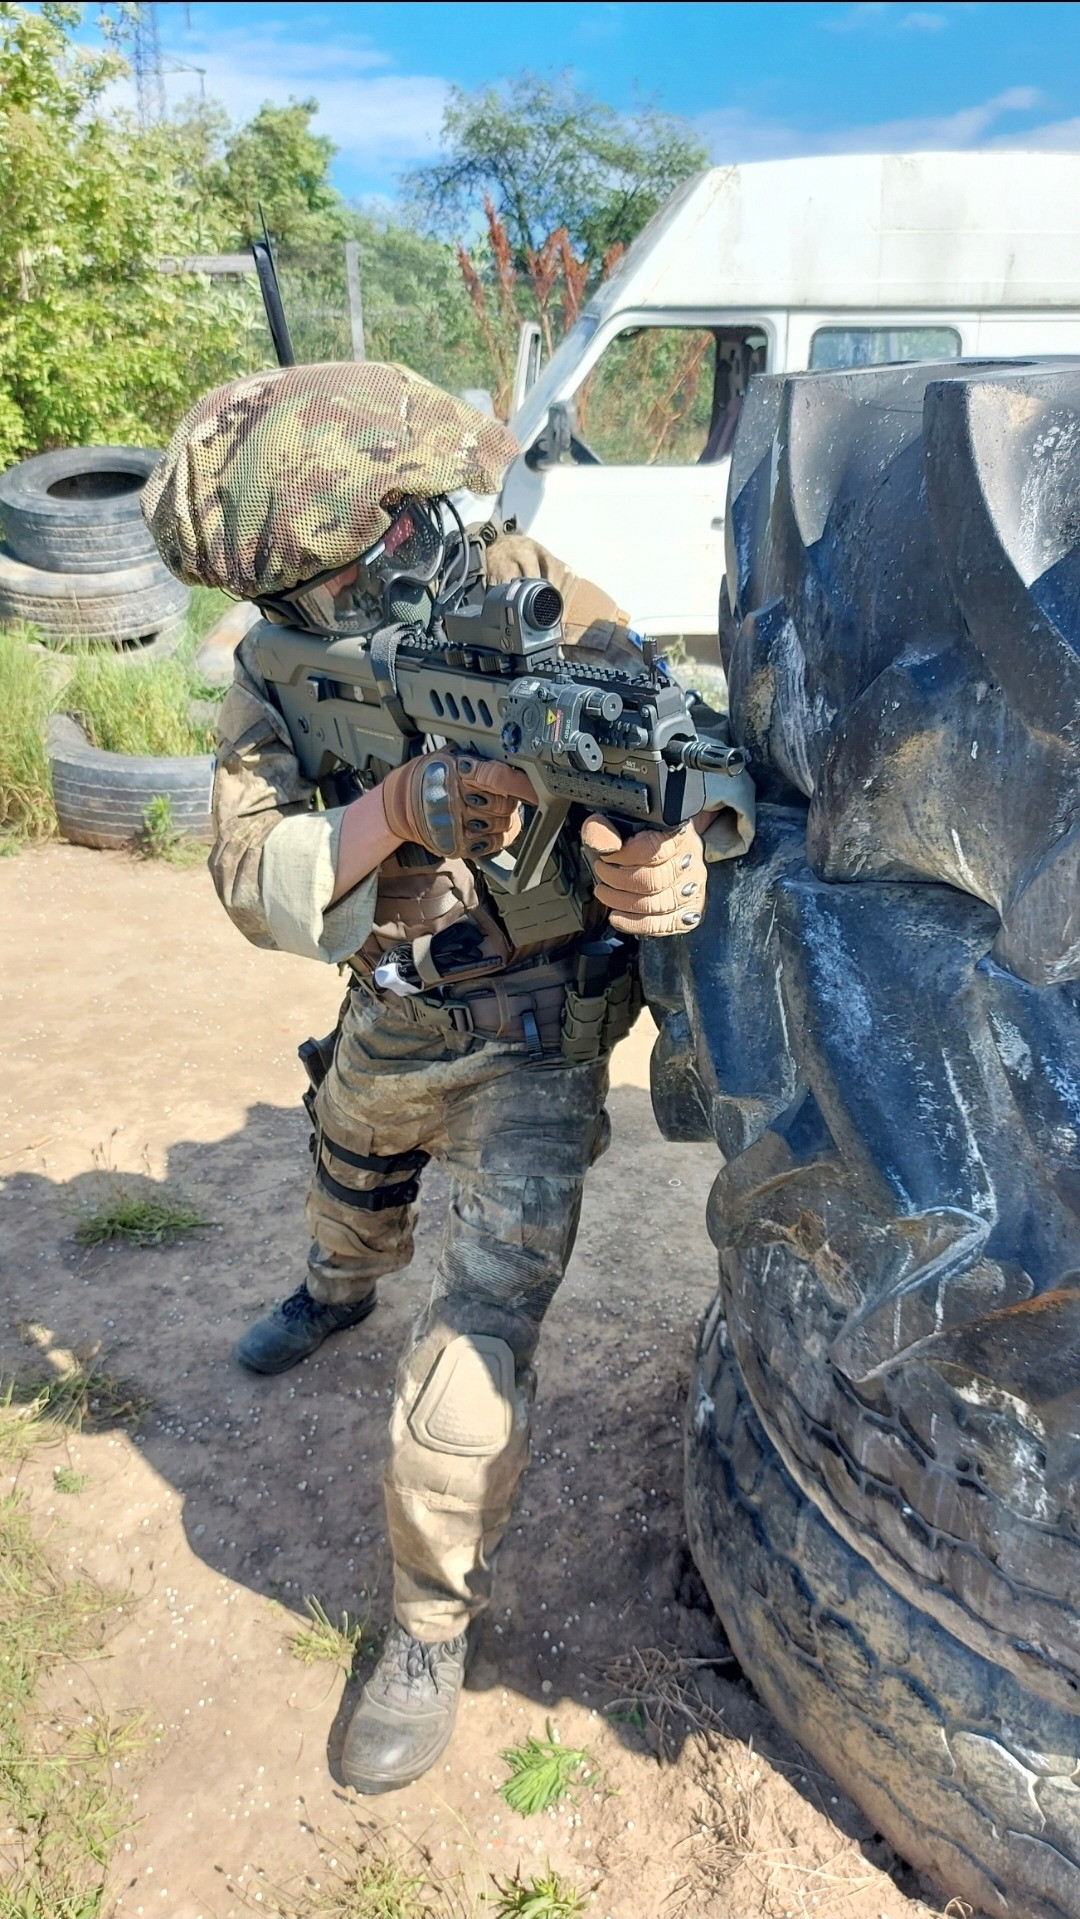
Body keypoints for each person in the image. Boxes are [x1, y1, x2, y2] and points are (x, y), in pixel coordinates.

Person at [143, 360, 752, 1796]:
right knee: (347, 1172)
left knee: (471, 1346)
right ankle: (334, 1291)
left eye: (395, 544)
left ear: (420, 502)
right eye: (329, 586)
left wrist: (676, 856)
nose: (377, 587)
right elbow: (252, 876)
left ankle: (426, 1629)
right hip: (388, 1014)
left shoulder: (537, 594)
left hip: (535, 1043)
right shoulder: (277, 672)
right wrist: (396, 808)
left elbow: (677, 752)